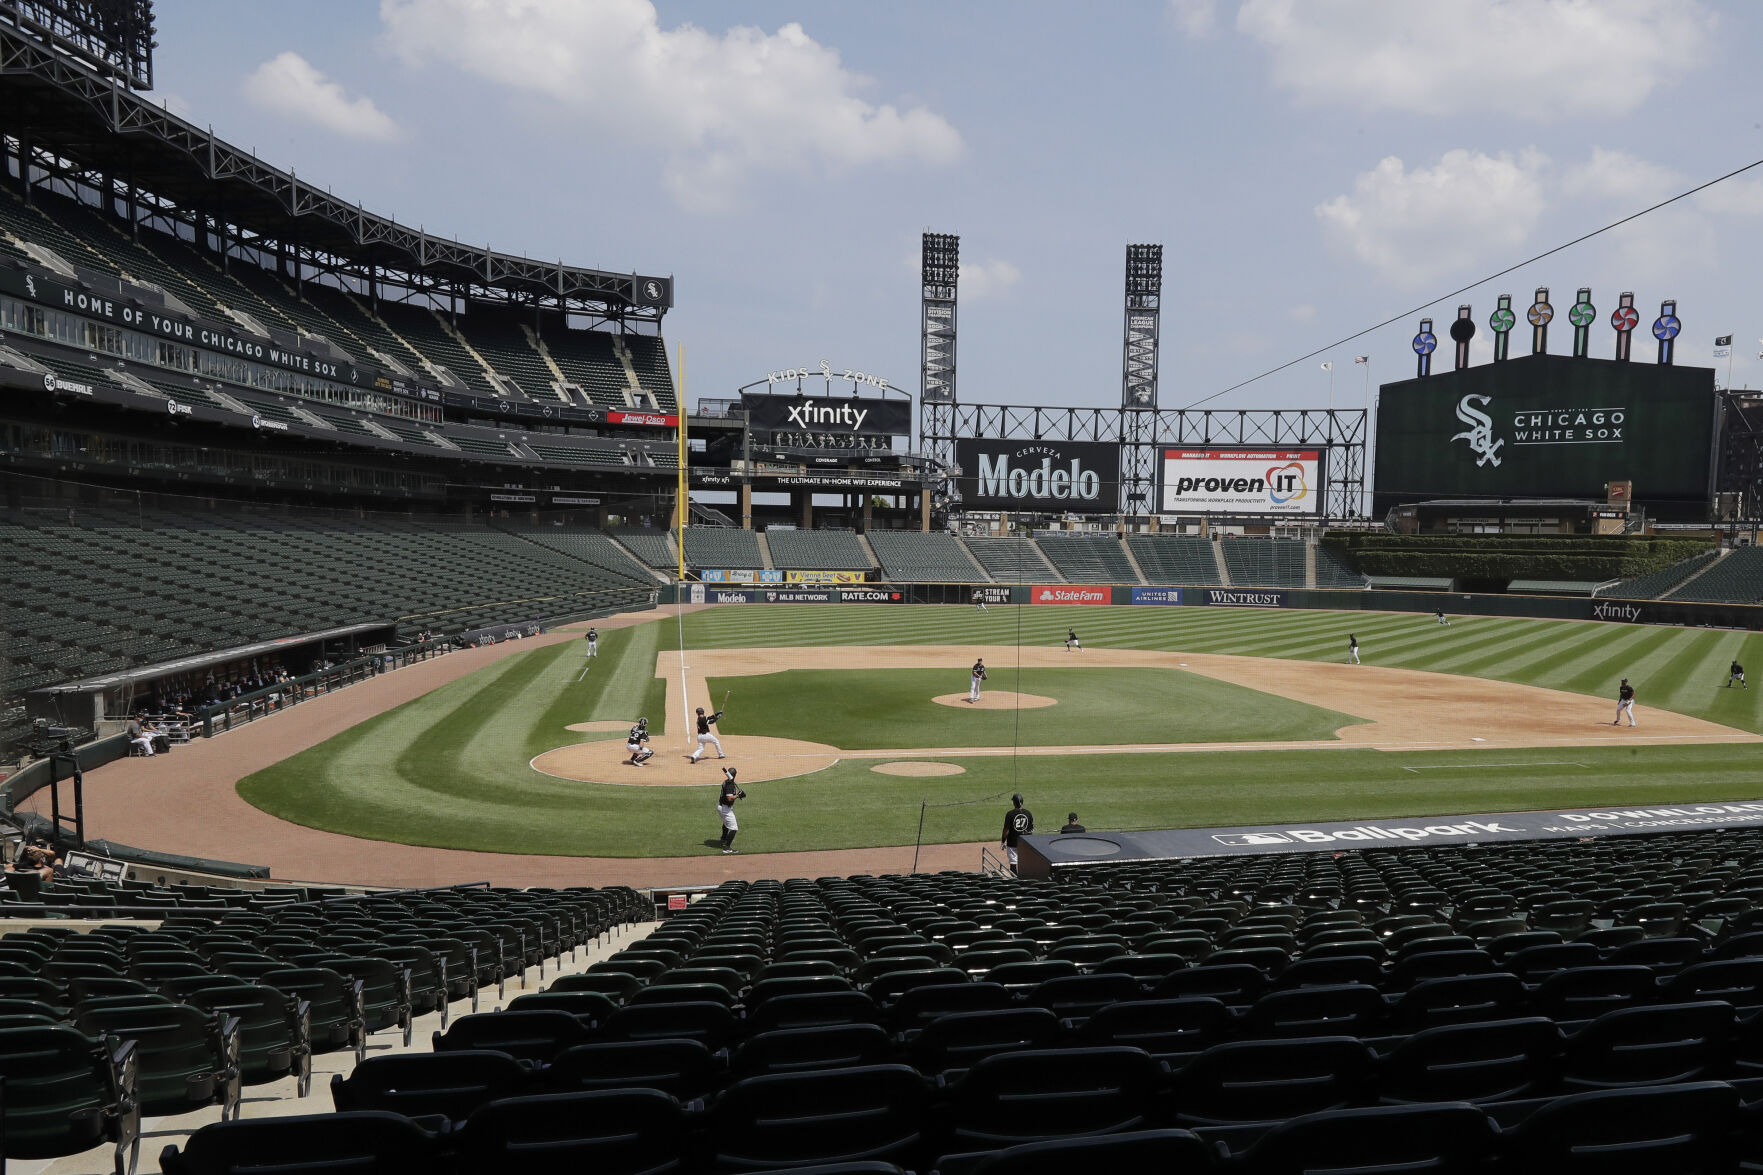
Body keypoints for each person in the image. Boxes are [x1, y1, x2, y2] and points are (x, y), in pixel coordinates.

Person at [1001, 793, 1034, 873]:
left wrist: (1003, 841)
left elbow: (1006, 830)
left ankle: (1014, 880)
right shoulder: (1028, 813)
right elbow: (1031, 829)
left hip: (1012, 843)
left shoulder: (1009, 814)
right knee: (1025, 862)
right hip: (1025, 843)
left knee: (1013, 863)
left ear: (1014, 803)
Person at [716, 767, 746, 854]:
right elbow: (729, 798)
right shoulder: (730, 784)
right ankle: (726, 847)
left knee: (726, 823)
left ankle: (723, 839)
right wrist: (738, 796)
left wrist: (737, 794)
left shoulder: (726, 782)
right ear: (735, 775)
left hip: (720, 806)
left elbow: (729, 795)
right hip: (725, 808)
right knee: (734, 828)